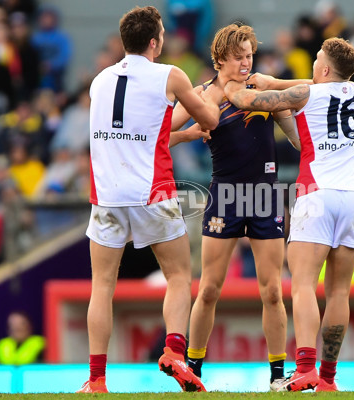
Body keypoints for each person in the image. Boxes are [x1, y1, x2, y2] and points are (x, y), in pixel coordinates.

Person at [77, 6, 219, 394]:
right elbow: (211, 119)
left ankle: (96, 380)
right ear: (155, 41)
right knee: (178, 275)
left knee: (102, 286)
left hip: (106, 197)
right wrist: (205, 93)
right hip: (151, 193)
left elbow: (132, 137)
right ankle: (174, 351)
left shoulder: (100, 81)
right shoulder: (170, 75)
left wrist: (182, 135)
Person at [225, 37, 354, 392]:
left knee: (303, 284)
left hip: (316, 193)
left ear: (322, 69)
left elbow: (247, 101)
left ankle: (304, 368)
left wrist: (228, 83)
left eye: (316, 60)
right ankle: (328, 379)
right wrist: (274, 81)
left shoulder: (307, 95)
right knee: (339, 293)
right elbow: (308, 86)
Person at [169, 23, 300, 392]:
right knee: (209, 288)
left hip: (264, 194)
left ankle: (277, 376)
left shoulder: (261, 87)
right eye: (239, 56)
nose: (246, 62)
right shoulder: (202, 96)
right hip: (224, 194)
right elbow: (163, 133)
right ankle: (193, 368)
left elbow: (296, 140)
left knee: (272, 290)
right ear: (220, 58)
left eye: (250, 55)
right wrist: (186, 135)